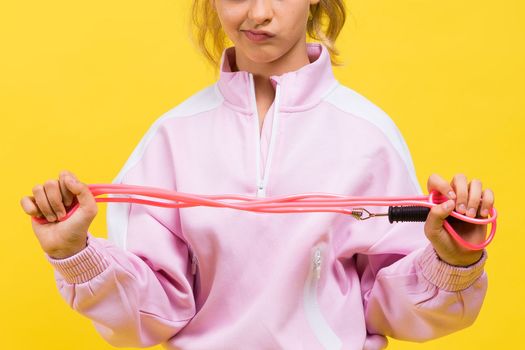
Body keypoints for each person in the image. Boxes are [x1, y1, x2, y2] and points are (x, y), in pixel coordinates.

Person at [20, 0, 495, 349]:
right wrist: (73, 254)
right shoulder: (171, 137)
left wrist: (452, 261)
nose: (257, 13)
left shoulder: (367, 135)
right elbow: (147, 316)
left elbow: (397, 311)